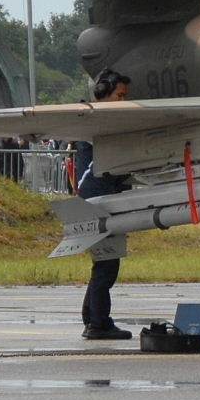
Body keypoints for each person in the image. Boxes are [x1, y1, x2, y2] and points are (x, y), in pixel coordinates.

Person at [77, 69, 132, 340]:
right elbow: (106, 166)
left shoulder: (100, 123)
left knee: (104, 264)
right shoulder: (95, 124)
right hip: (97, 202)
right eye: (119, 95)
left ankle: (92, 318)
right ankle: (98, 323)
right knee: (107, 265)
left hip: (100, 199)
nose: (123, 101)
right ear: (102, 93)